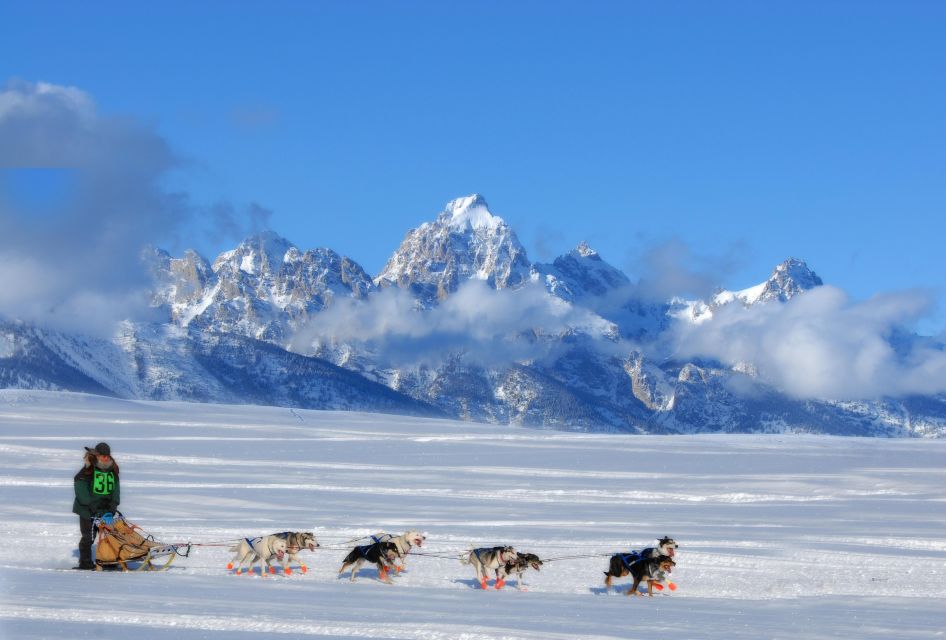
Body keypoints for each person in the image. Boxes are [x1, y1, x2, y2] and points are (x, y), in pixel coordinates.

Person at [72, 442, 120, 570]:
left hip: (105, 510)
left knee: (110, 536)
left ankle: (109, 561)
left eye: (107, 456)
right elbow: (81, 490)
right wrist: (93, 507)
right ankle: (85, 562)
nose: (105, 458)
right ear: (97, 456)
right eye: (102, 456)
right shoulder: (88, 470)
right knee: (89, 537)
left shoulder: (112, 469)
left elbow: (116, 490)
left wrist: (112, 508)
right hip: (87, 510)